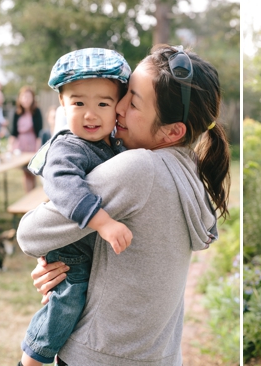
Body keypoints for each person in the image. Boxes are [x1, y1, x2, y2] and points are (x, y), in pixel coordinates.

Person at [17, 44, 231, 365]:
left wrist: (54, 256)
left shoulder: (139, 169)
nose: (117, 108)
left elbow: (31, 234)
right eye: (124, 94)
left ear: (172, 131)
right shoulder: (189, 171)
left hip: (101, 354)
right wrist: (63, 262)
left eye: (133, 102)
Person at [18, 48, 135, 366]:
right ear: (62, 105)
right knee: (67, 301)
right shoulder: (69, 145)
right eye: (78, 103)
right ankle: (33, 357)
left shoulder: (113, 144)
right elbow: (64, 187)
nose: (90, 114)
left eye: (103, 103)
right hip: (73, 251)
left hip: (89, 247)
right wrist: (103, 222)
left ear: (118, 106)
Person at [9, 86, 44, 192]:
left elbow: (39, 133)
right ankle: (28, 194)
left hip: (33, 144)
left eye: (28, 97)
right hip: (21, 145)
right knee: (25, 172)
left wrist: (38, 149)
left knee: (32, 171)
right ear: (20, 98)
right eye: (23, 97)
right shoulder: (16, 113)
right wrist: (10, 147)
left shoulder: (36, 112)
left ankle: (33, 194)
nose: (26, 99)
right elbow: (13, 133)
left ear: (33, 98)